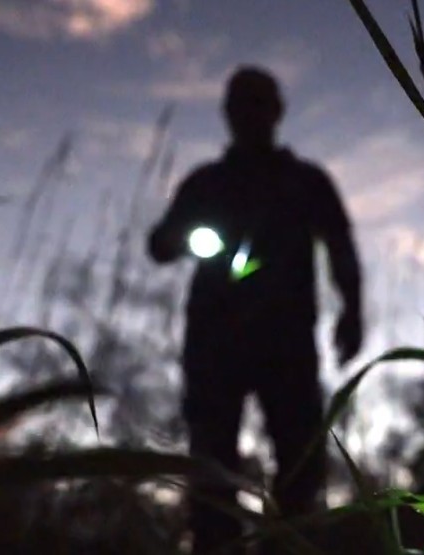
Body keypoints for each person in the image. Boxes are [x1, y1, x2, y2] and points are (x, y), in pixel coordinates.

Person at [147, 66, 364, 554]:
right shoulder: (206, 183)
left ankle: (289, 545)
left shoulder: (306, 182)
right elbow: (160, 245)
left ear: (276, 112)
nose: (250, 116)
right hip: (214, 344)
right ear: (229, 114)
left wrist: (353, 310)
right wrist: (186, 237)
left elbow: (340, 244)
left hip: (286, 343)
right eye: (241, 105)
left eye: (259, 105)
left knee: (299, 465)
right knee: (211, 468)